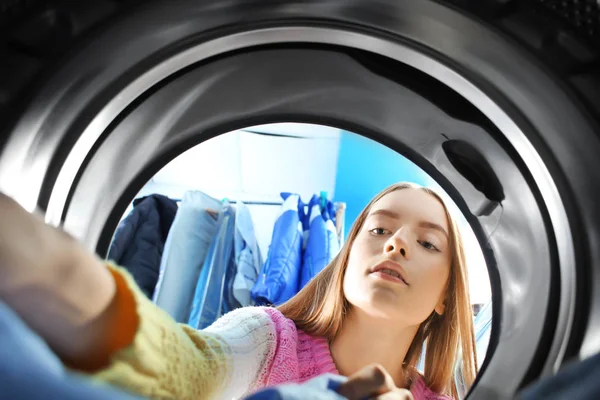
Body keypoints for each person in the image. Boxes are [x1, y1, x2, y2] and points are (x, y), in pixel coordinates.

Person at [0, 182, 477, 399]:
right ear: (347, 258)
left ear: (444, 296)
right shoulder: (267, 336)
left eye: (428, 242)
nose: (396, 243)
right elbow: (193, 368)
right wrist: (75, 285)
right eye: (378, 230)